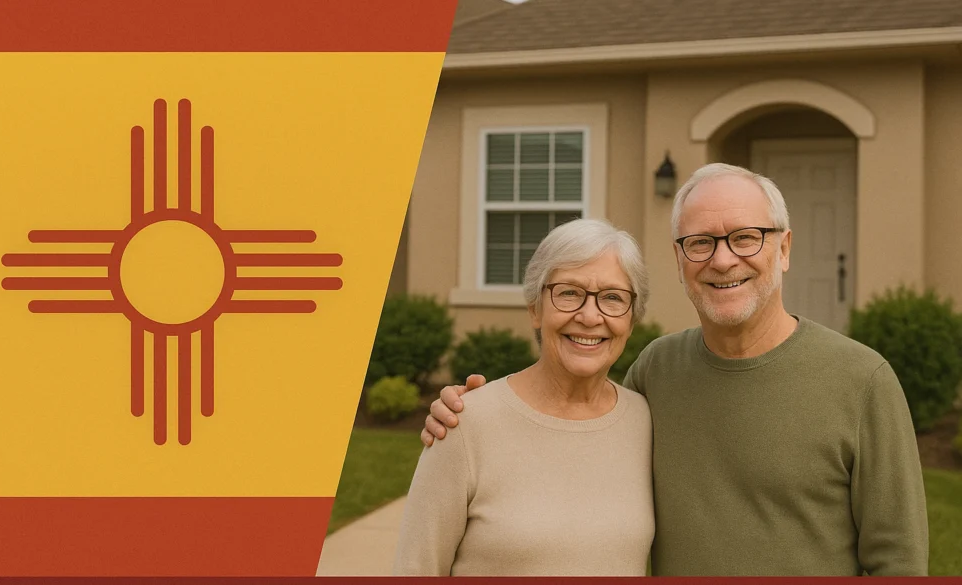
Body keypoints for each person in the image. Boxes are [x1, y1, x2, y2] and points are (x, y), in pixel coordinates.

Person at [421, 163, 929, 576]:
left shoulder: (862, 381)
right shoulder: (657, 371)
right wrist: (474, 415)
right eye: (701, 242)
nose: (723, 260)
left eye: (745, 237)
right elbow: (574, 428)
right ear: (680, 259)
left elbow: (898, 562)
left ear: (785, 248)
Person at [392, 219, 655, 576]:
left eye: (612, 298)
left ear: (631, 319)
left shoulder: (646, 421)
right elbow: (415, 570)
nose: (590, 316)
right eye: (568, 293)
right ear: (535, 308)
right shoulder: (464, 424)